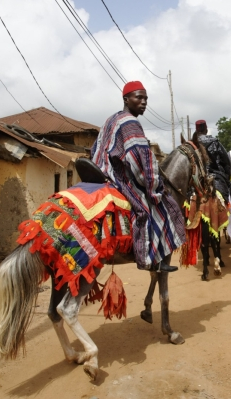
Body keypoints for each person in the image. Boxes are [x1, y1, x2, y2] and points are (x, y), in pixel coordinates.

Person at [91, 81, 185, 272]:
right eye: (139, 97)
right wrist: (154, 187)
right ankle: (153, 258)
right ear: (126, 99)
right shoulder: (131, 122)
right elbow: (140, 162)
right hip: (118, 177)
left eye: (146, 99)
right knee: (160, 205)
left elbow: (95, 149)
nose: (143, 102)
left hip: (99, 173)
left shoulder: (110, 120)